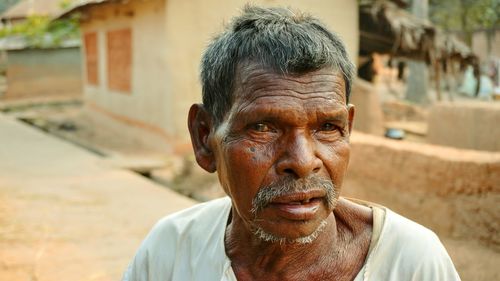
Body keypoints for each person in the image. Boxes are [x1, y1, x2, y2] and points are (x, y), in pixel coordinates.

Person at [123, 5, 460, 281]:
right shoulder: (170, 253)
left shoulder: (411, 263)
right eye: (263, 127)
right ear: (204, 138)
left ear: (349, 129)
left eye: (328, 126)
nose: (302, 161)